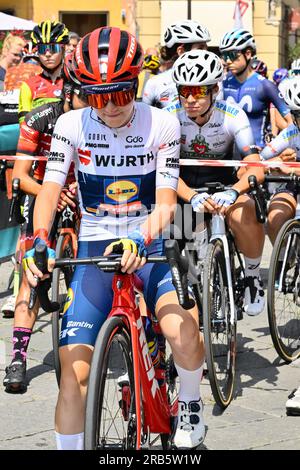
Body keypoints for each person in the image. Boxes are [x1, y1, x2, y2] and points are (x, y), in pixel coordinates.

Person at [23, 26, 205, 450]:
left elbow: (164, 203)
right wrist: (40, 239)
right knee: (76, 377)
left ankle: (192, 402)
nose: (109, 107)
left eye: (120, 94)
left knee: (182, 333)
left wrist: (140, 239)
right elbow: (50, 189)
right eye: (97, 96)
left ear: (136, 85)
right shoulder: (71, 123)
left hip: (152, 241)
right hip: (94, 247)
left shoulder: (161, 122)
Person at [3, 64, 88, 393]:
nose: (94, 103)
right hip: (41, 193)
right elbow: (20, 177)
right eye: (86, 95)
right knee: (30, 276)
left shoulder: (94, 121)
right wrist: (52, 193)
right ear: (68, 93)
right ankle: (18, 358)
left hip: (80, 196)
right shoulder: (39, 119)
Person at [171, 49, 265, 316]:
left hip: (223, 185)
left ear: (214, 90)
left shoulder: (232, 115)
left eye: (199, 92)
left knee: (244, 210)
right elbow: (160, 169)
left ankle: (252, 276)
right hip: (182, 186)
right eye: (184, 91)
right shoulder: (169, 115)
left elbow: (256, 167)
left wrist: (235, 192)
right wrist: (189, 196)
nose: (190, 99)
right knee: (169, 223)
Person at [219, 28, 293, 149]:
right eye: (225, 55)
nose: (227, 61)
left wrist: (276, 148)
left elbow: (290, 122)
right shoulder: (223, 83)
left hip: (257, 154)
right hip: (228, 155)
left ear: (248, 54)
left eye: (232, 55)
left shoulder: (265, 85)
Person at [260, 77, 300, 245]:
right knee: (275, 217)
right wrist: (277, 160)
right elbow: (261, 159)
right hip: (294, 185)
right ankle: (283, 261)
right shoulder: (292, 132)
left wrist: (291, 169)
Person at [142, 20, 211, 110]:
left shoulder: (213, 81)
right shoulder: (155, 83)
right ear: (181, 51)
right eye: (201, 48)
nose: (207, 53)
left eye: (206, 48)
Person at [18, 20, 69, 123]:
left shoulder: (73, 82)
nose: (48, 54)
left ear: (63, 49)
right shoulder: (28, 86)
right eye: (42, 49)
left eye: (53, 48)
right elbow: (24, 126)